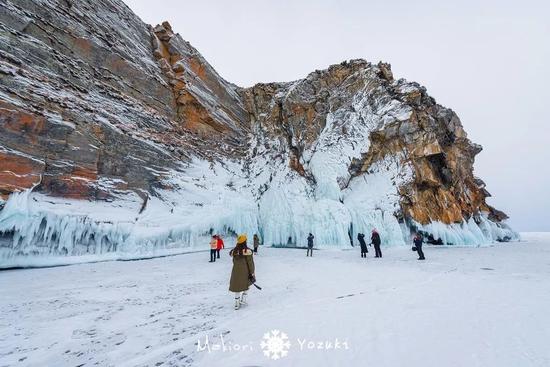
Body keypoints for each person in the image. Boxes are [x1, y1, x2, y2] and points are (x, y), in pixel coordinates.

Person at [229, 234, 255, 310]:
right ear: (245, 242)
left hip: (235, 271)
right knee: (246, 284)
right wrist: (252, 272)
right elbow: (250, 263)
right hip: (245, 271)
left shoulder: (234, 251)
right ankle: (243, 300)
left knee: (237, 286)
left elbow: (233, 261)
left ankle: (236, 304)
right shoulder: (247, 251)